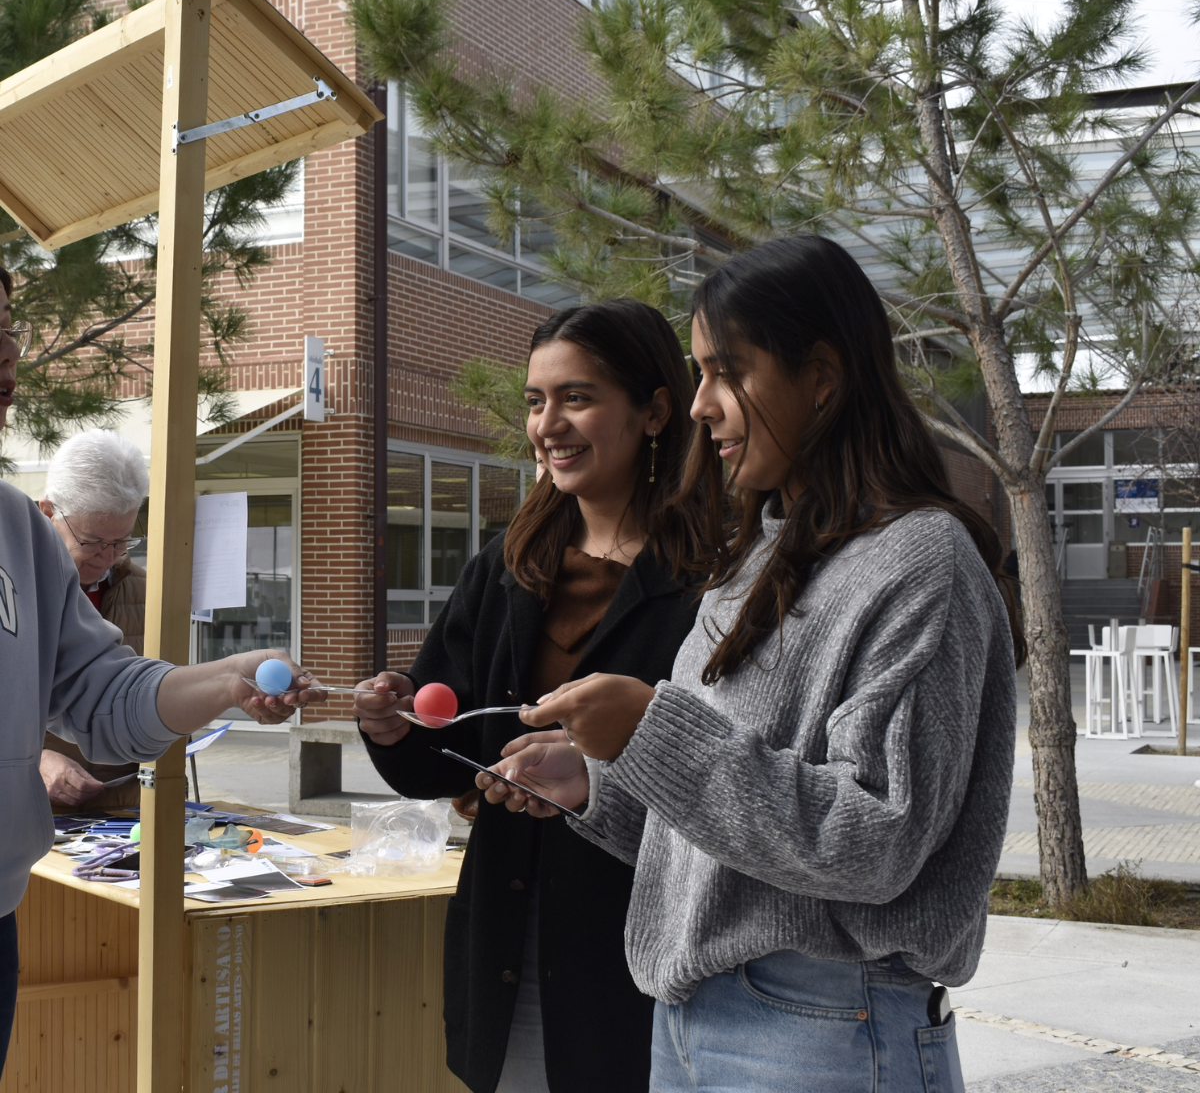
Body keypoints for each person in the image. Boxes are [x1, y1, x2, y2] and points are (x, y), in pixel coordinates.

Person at [478, 237, 1024, 1093]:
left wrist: (651, 731)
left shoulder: (923, 561)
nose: (700, 407)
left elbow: (873, 841)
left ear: (822, 375)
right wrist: (594, 782)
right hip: (692, 1018)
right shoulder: (754, 561)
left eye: (727, 373)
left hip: (831, 1025)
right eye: (698, 374)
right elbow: (721, 830)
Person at [353, 299, 715, 1093]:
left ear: (656, 410)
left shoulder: (717, 580)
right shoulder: (508, 563)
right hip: (508, 943)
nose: (548, 424)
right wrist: (389, 725)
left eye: (576, 397)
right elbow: (443, 759)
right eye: (535, 401)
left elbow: (727, 779)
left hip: (647, 951)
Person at [0, 266, 325, 1074]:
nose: (10, 363)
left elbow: (105, 695)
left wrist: (230, 678)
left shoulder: (16, 531)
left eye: (10, 334)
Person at [37, 429, 150, 809]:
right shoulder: (14, 592)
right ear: (47, 513)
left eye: (121, 541)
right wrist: (33, 762)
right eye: (91, 541)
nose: (107, 555)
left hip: (123, 815)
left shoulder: (150, 594)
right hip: (29, 811)